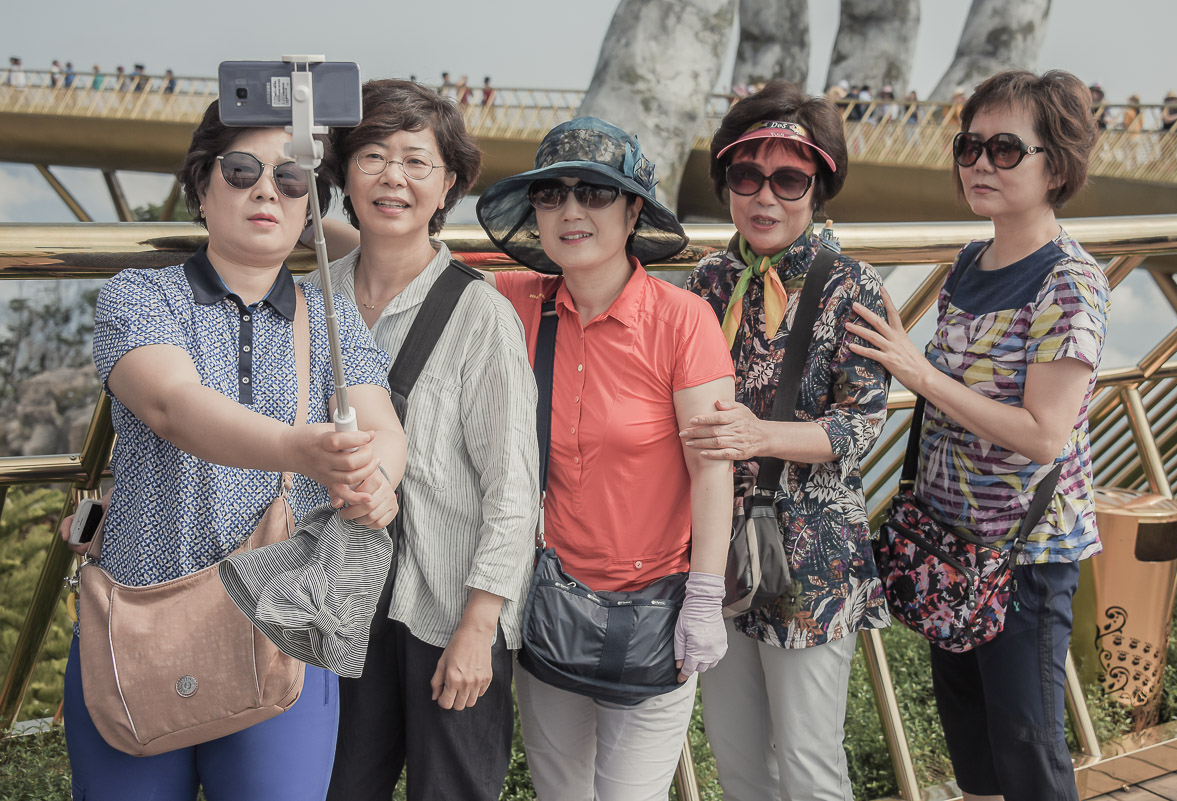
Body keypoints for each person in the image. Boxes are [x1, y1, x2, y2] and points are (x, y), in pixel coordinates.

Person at [59, 99, 406, 801]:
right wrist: (297, 448)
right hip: (140, 618)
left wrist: (375, 480)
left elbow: (382, 428)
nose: (266, 191)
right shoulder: (140, 295)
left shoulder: (331, 316)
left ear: (311, 206)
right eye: (242, 169)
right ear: (201, 184)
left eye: (292, 178)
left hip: (284, 630)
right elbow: (171, 405)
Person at [847, 69, 1108, 801]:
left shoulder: (1069, 282)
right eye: (969, 146)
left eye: (1004, 149)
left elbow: (1044, 435)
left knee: (1027, 746)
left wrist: (917, 372)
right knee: (972, 748)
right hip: (950, 545)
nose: (980, 164)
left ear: (1056, 165)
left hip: (1026, 552)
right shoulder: (969, 262)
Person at [475, 116, 735, 801]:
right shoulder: (511, 303)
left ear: (633, 210)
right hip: (549, 602)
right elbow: (410, 271)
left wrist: (705, 597)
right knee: (560, 792)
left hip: (655, 609)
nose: (570, 211)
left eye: (593, 193)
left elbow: (713, 467)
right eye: (551, 194)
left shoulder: (683, 319)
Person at [317, 79, 538, 801]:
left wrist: (480, 623)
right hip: (338, 603)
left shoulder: (481, 313)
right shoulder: (314, 302)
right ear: (344, 174)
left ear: (448, 186)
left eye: (417, 162)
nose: (394, 178)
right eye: (373, 156)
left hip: (446, 608)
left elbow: (513, 486)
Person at [681, 81, 891, 801]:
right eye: (746, 176)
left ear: (817, 188)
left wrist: (758, 433)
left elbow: (861, 422)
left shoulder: (851, 286)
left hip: (813, 555)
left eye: (788, 180)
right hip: (716, 549)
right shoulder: (708, 281)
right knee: (736, 759)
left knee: (807, 762)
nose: (764, 197)